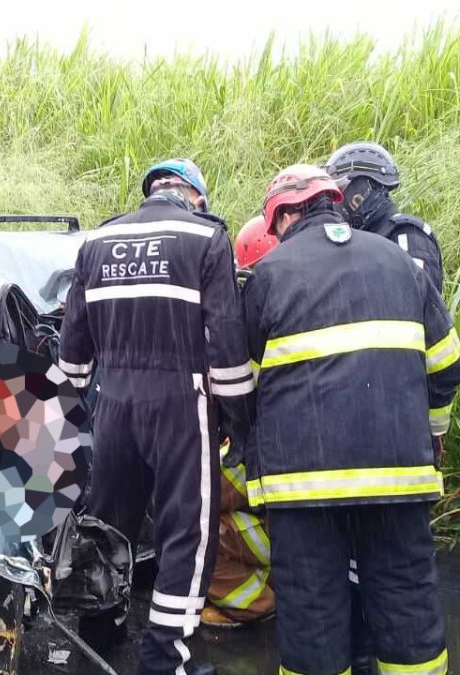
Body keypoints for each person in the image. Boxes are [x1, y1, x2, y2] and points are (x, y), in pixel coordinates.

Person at [244, 164, 460, 675]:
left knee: (312, 606)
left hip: (302, 485)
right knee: (407, 598)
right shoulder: (400, 263)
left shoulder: (268, 277)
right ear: (336, 202)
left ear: (279, 219)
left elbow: (246, 384)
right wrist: (431, 436)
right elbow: (448, 367)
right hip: (398, 475)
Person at [59, 158, 253, 675]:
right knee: (186, 535)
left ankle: (97, 639)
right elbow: (226, 344)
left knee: (106, 527)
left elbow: (73, 351)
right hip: (181, 405)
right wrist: (237, 420)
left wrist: (76, 413)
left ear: (151, 191)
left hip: (113, 406)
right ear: (196, 195)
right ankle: (167, 660)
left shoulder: (97, 242)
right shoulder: (206, 238)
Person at [200, 214, 276, 631]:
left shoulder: (251, 341)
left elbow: (221, 484)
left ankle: (256, 603)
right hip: (319, 517)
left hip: (276, 505)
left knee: (191, 525)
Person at [326, 142, 444, 293]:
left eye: (341, 190)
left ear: (363, 187)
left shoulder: (406, 234)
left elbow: (417, 300)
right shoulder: (358, 241)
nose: (336, 202)